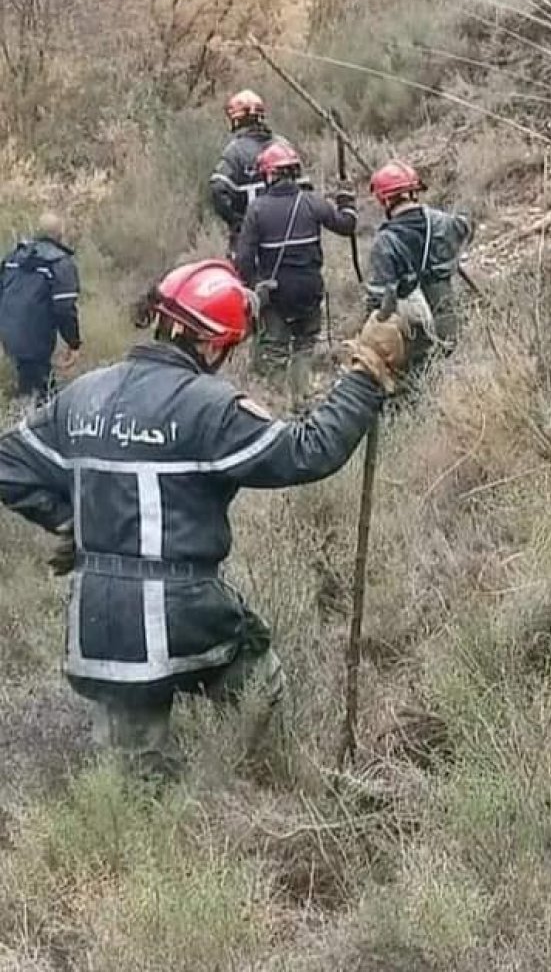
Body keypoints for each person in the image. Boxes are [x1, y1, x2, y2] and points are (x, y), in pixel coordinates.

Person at [0, 259, 407, 781]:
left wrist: (73, 523)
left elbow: (9, 467)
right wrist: (366, 371)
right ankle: (245, 791)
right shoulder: (207, 407)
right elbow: (310, 451)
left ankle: (149, 835)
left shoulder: (82, 396)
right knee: (259, 687)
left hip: (99, 626)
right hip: (187, 611)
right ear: (214, 345)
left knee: (134, 781)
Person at [236, 142, 358, 403]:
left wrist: (256, 285)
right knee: (304, 346)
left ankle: (278, 409)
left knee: (275, 355)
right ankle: (301, 402)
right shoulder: (312, 203)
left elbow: (243, 260)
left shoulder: (257, 210)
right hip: (309, 292)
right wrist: (346, 199)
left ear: (269, 174)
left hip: (276, 295)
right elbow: (348, 225)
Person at [366, 160, 473, 370]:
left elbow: (381, 297)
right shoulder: (443, 222)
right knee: (447, 371)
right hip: (446, 318)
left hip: (413, 330)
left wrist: (374, 323)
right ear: (414, 192)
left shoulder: (385, 242)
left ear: (385, 200)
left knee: (416, 379)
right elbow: (465, 227)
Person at [0, 212, 81, 402]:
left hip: (10, 335)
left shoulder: (14, 257)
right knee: (41, 394)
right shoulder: (60, 263)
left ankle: (23, 407)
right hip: (37, 338)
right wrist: (73, 342)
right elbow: (64, 308)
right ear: (60, 233)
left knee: (29, 381)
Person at [209, 90, 289, 257]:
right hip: (286, 235)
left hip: (250, 239)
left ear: (237, 119)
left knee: (245, 279)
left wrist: (237, 221)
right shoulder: (284, 146)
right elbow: (305, 189)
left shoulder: (234, 152)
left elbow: (218, 189)